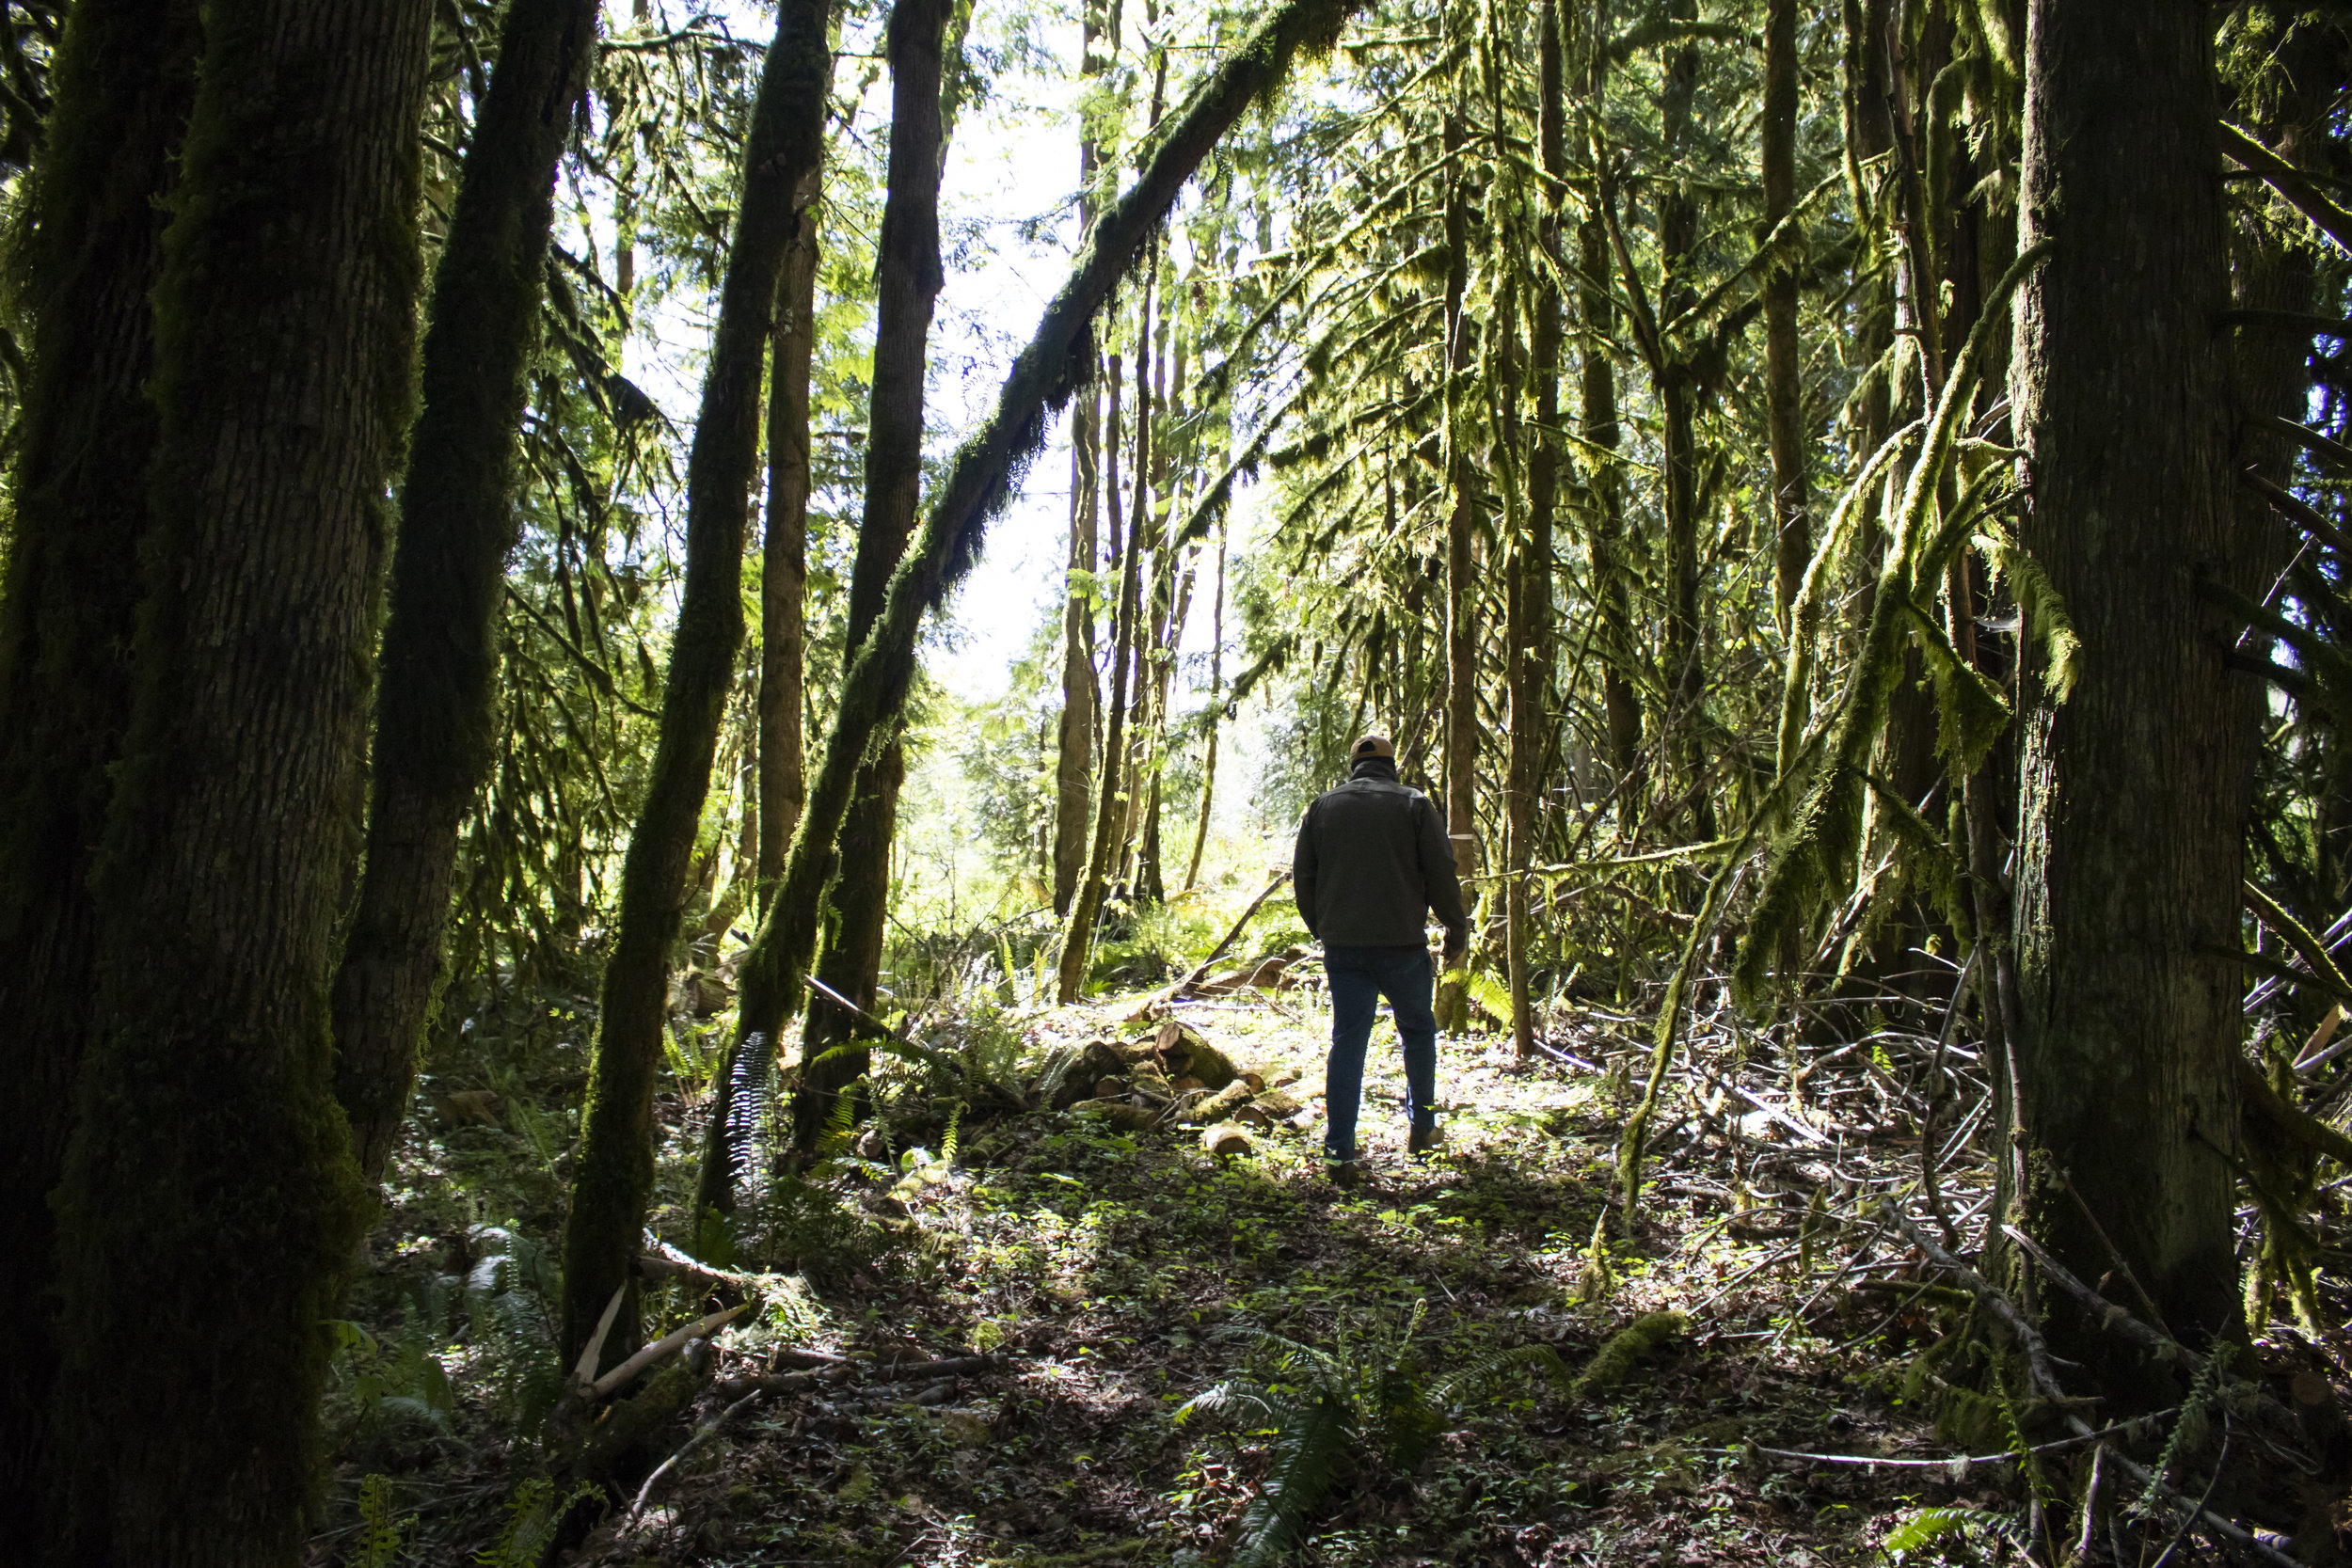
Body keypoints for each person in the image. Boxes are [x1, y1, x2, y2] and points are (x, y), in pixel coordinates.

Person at [1291, 733, 1468, 1184]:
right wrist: (1455, 927)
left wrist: (1325, 929)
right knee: (1417, 1033)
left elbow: (1303, 879)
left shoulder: (1323, 807)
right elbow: (1441, 871)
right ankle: (1424, 1129)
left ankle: (1339, 1151)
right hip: (1404, 946)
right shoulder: (1415, 805)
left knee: (1348, 1041)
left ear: (1354, 765)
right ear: (1393, 764)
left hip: (1345, 948)